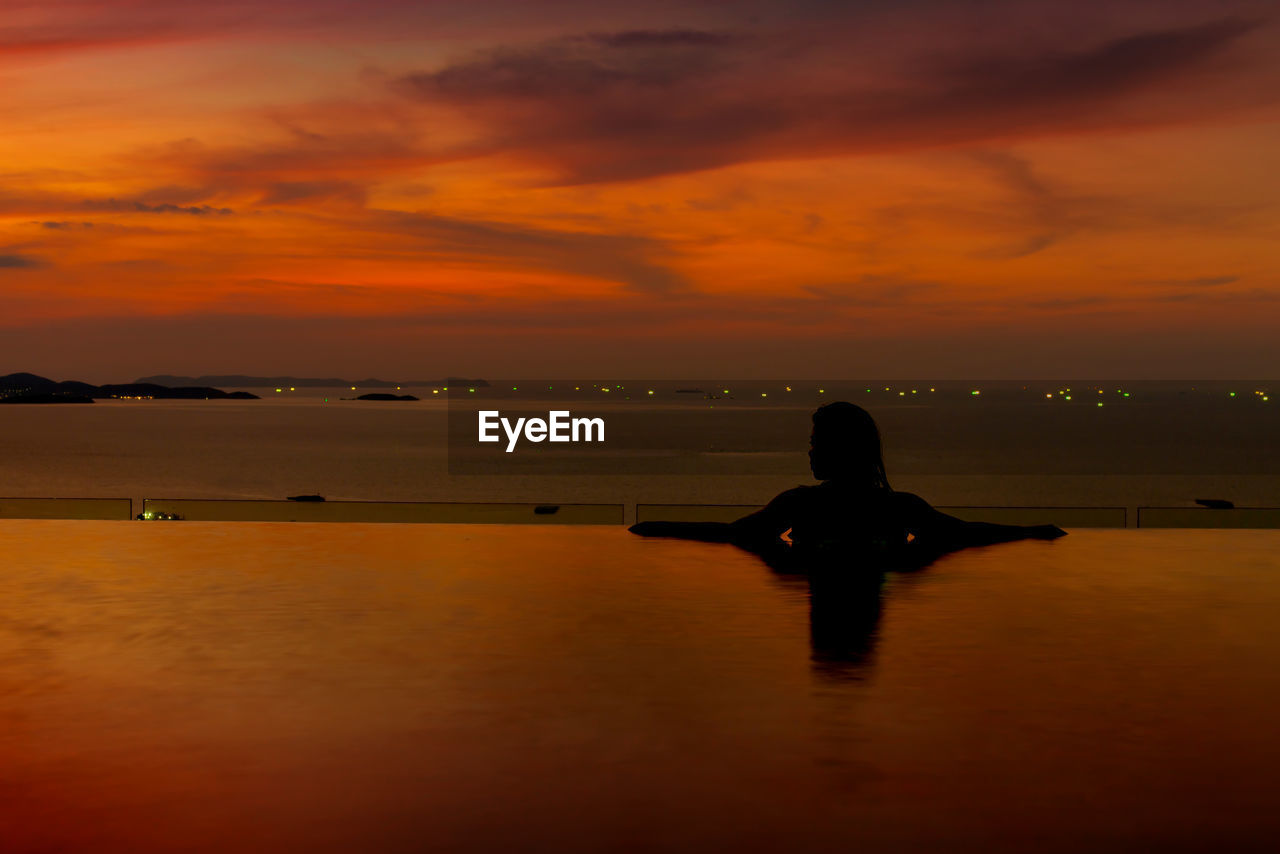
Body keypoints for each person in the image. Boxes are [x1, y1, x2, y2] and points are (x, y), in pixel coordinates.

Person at [629, 401, 1066, 568]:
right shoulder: (898, 508)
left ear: (839, 449)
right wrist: (1030, 532)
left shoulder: (801, 505)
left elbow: (734, 533)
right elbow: (963, 532)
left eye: (816, 443)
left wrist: (656, 527)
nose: (811, 453)